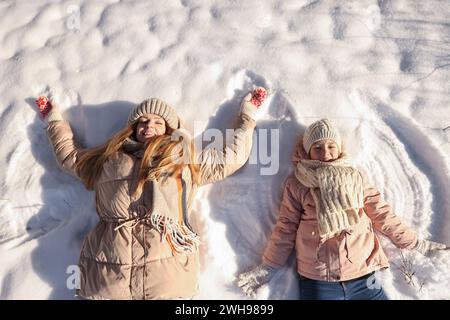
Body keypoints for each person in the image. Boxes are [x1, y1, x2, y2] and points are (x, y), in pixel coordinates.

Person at [36, 87, 267, 299]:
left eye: (158, 122)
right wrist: (54, 120)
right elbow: (71, 158)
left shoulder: (183, 159)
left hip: (166, 276)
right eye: (143, 121)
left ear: (169, 129)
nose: (148, 126)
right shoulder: (109, 160)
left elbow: (229, 159)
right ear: (134, 128)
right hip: (110, 275)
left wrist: (247, 116)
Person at [237, 118, 447, 300]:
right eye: (317, 147)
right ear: (308, 151)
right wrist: (270, 266)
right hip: (318, 280)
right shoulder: (298, 183)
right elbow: (286, 227)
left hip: (363, 276)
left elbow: (383, 215)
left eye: (331, 146)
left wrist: (416, 243)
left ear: (339, 148)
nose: (325, 153)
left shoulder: (355, 177)